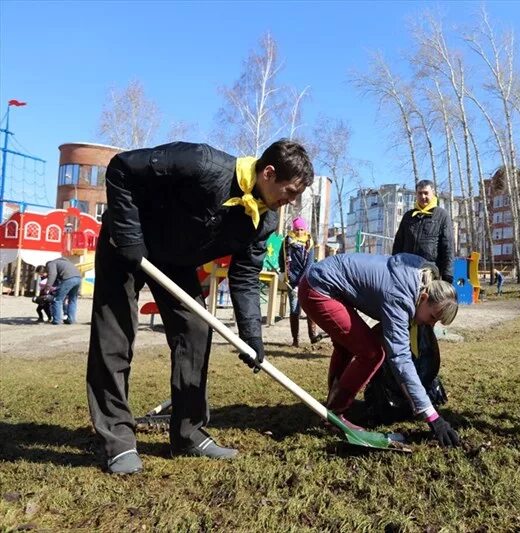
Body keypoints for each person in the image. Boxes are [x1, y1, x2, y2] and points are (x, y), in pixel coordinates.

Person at [87, 139, 314, 475]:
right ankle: (117, 440)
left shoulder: (264, 221)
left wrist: (252, 338)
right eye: (290, 191)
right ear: (268, 173)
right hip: (127, 242)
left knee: (195, 330)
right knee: (115, 337)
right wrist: (129, 236)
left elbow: (245, 277)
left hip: (175, 260)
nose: (291, 202)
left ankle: (188, 433)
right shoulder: (200, 163)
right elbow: (121, 168)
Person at [298, 252, 461, 447]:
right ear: (424, 297)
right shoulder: (401, 298)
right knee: (372, 354)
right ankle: (335, 415)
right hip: (318, 288)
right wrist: (432, 417)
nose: (431, 324)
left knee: (348, 346)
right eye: (433, 317)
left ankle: (332, 408)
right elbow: (401, 359)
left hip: (323, 279)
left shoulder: (419, 274)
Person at [392, 180, 455, 284]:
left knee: (426, 299)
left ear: (433, 193)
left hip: (429, 272)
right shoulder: (408, 216)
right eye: (420, 193)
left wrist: (448, 275)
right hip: (406, 269)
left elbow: (448, 247)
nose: (423, 196)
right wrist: (394, 265)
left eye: (426, 193)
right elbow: (398, 244)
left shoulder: (442, 216)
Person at [279, 215, 322, 347]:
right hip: (291, 280)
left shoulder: (309, 243)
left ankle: (312, 336)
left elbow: (309, 265)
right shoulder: (287, 242)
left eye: (302, 229)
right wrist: (282, 272)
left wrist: (301, 283)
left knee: (309, 308)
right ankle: (295, 339)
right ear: (294, 229)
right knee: (294, 309)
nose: (299, 232)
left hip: (306, 280)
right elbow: (282, 256)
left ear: (305, 230)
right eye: (297, 229)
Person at [43, 257, 82, 325]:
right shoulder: (65, 262)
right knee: (72, 300)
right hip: (78, 278)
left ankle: (57, 320)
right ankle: (71, 319)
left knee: (57, 300)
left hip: (68, 278)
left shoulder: (51, 264)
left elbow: (52, 274)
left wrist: (47, 287)